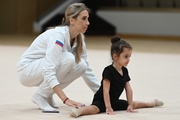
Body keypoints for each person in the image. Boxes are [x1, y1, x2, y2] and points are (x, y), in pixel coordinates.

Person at [16, 3, 100, 113]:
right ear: (72, 20)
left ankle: (47, 93)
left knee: (82, 65)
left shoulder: (79, 39)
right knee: (68, 58)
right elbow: (49, 69)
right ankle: (40, 95)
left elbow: (87, 71)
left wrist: (103, 94)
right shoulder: (58, 36)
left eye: (88, 19)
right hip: (26, 71)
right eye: (83, 19)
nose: (87, 23)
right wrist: (65, 99)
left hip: (41, 69)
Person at [70, 35, 164, 118]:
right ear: (115, 56)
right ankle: (78, 111)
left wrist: (130, 104)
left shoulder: (125, 70)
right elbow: (105, 91)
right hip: (102, 100)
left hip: (114, 101)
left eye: (129, 56)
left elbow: (128, 89)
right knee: (94, 109)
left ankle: (152, 103)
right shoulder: (108, 71)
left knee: (134, 103)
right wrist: (108, 107)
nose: (128, 59)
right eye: (126, 56)